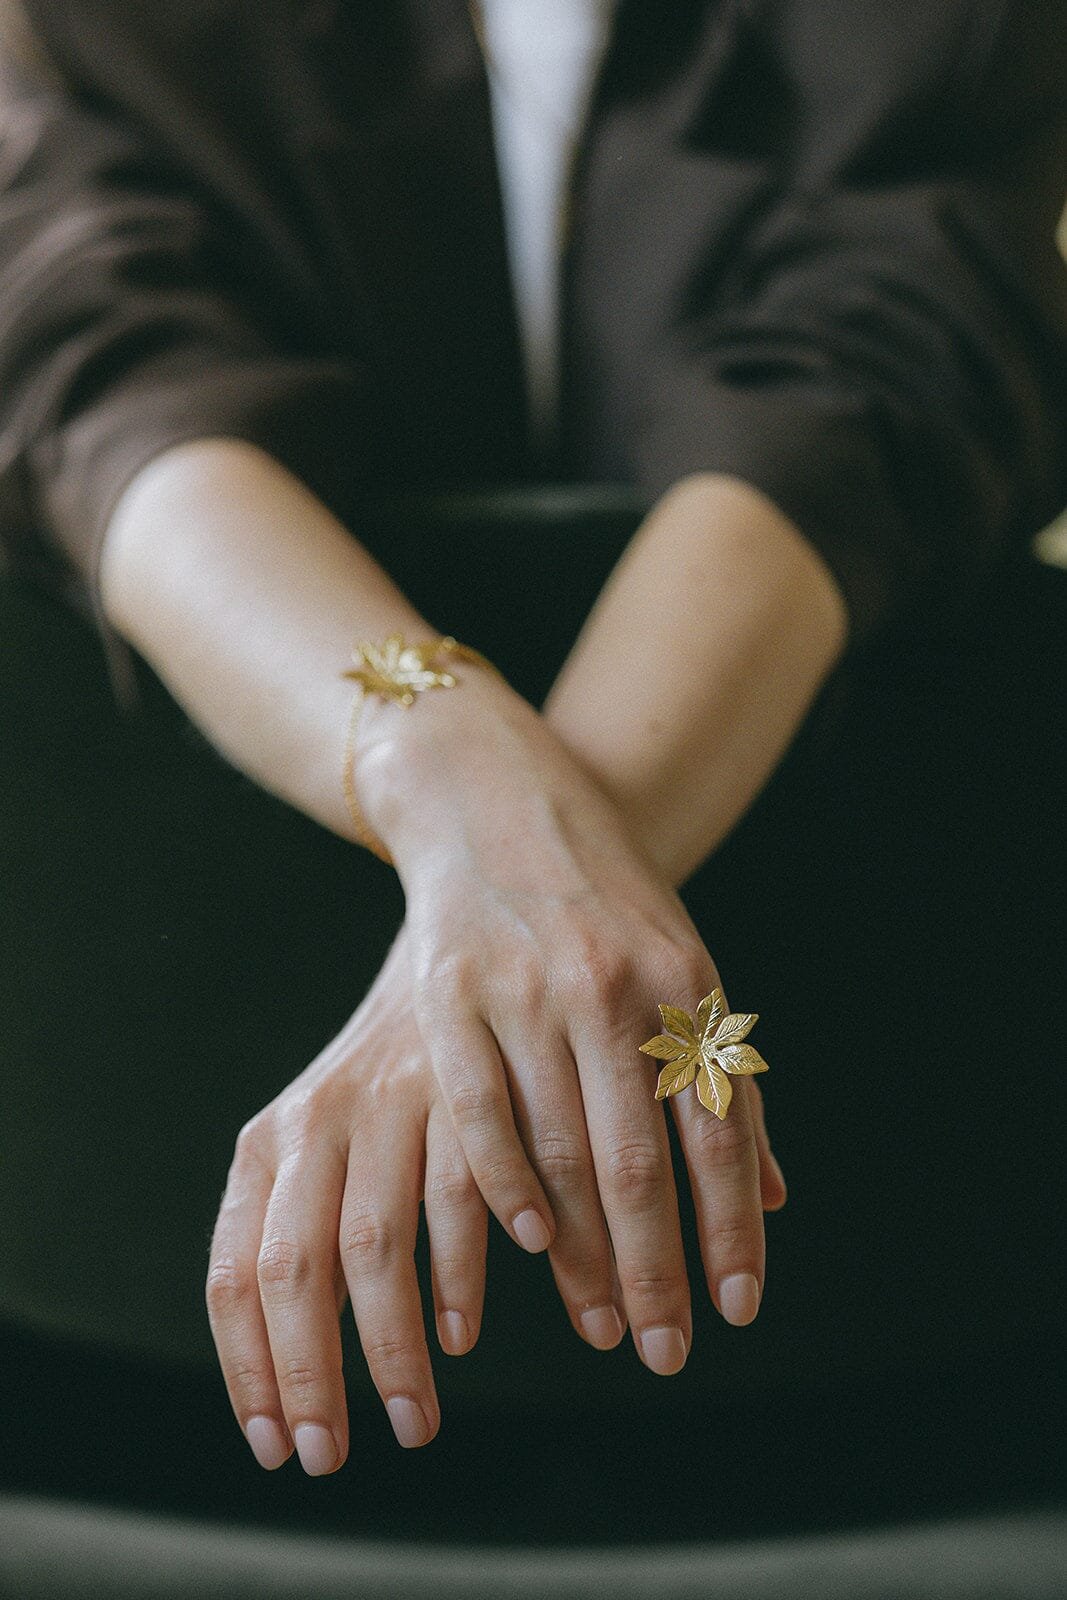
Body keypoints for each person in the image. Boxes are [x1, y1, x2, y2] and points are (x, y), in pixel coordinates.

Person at [0, 0, 1064, 1523]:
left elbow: (869, 390)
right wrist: (454, 788)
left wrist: (514, 913)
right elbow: (85, 373)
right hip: (147, 1344)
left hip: (872, 1335)